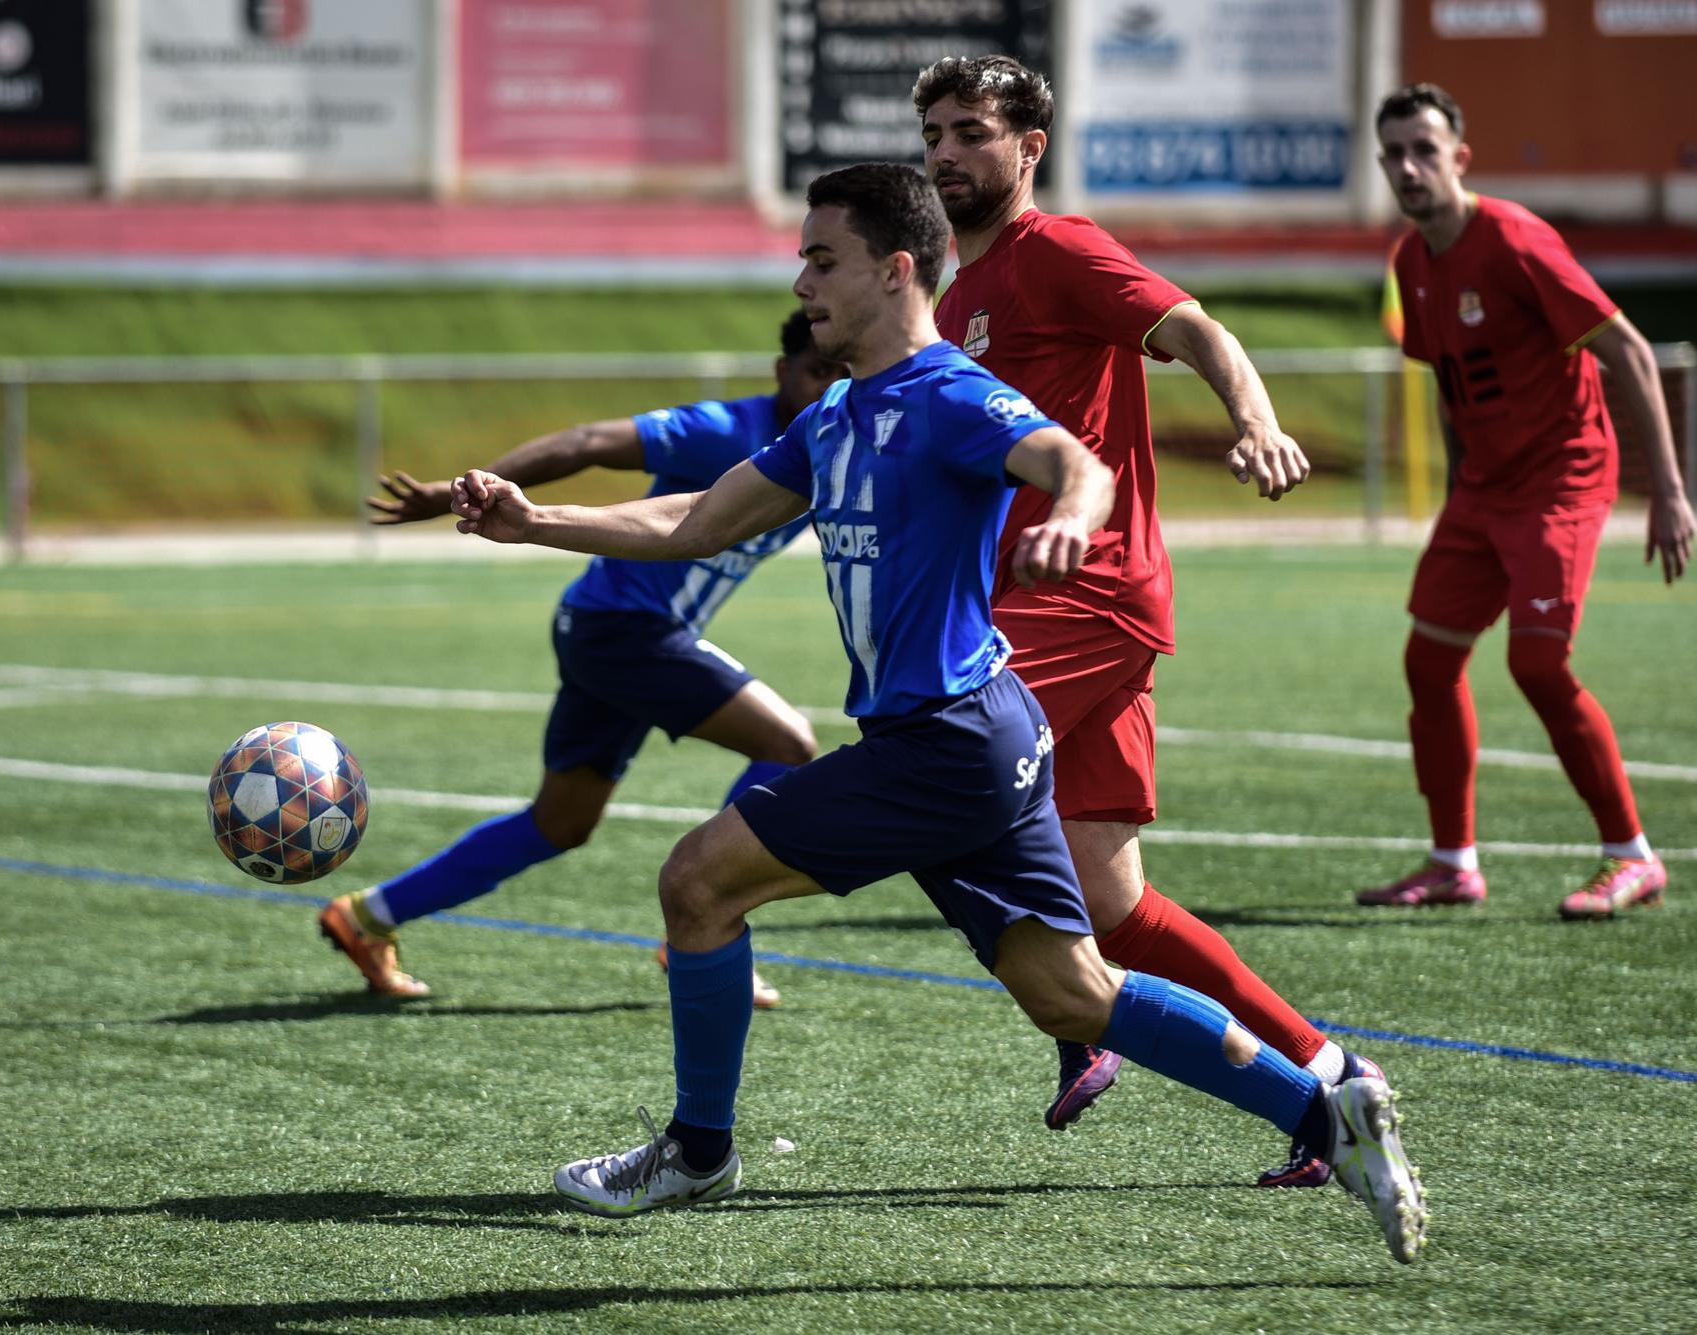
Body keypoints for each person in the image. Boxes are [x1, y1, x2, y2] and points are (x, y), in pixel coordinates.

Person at [450, 163, 1427, 1264]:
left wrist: (1069, 511)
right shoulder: (836, 414)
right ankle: (1321, 1112)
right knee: (1071, 993)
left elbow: (1072, 459)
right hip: (973, 737)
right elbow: (692, 519)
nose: (802, 276)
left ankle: (696, 1149)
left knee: (696, 881)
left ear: (893, 267)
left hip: (945, 743)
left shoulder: (947, 392)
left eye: (822, 257)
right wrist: (536, 524)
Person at [913, 54, 1375, 1184]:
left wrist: (1254, 422)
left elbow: (1195, 329)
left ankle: (1075, 1025)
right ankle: (1328, 1079)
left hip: (1086, 591)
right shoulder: (954, 292)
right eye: (930, 132)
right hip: (1042, 600)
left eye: (970, 131)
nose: (943, 154)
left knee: (921, 761)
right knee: (1113, 904)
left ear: (1028, 146)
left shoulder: (1059, 250)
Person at [318, 313, 846, 1002]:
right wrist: (460, 487)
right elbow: (587, 441)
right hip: (625, 629)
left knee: (558, 823)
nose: (828, 387)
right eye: (815, 372)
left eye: (842, 373)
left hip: (611, 631)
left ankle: (368, 915)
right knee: (789, 743)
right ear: (782, 372)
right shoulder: (724, 430)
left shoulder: (829, 447)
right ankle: (708, 921)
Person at [1362, 83, 1692, 917]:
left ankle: (1632, 854)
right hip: (1483, 490)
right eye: (1394, 153)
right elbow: (1451, 388)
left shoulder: (1513, 240)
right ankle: (1452, 863)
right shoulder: (1411, 261)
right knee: (1428, 662)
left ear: (1459, 157)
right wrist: (1460, 484)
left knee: (1537, 663)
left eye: (1424, 150)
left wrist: (1670, 493)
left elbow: (1631, 352)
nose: (1408, 167)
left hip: (1563, 478)